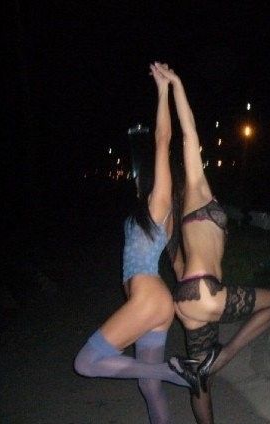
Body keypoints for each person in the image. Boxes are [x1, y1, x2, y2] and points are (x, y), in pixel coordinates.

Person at [163, 66, 270, 424]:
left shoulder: (175, 216)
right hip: (205, 292)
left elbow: (177, 267)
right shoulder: (197, 189)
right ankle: (224, 356)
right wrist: (177, 84)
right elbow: (188, 132)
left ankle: (204, 369)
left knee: (199, 379)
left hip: (186, 298)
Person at [74, 62, 190, 424]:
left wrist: (163, 90)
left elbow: (162, 139)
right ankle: (168, 374)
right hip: (154, 302)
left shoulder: (159, 203)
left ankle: (173, 371)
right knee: (148, 387)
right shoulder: (153, 211)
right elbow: (177, 264)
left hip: (148, 297)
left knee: (86, 362)